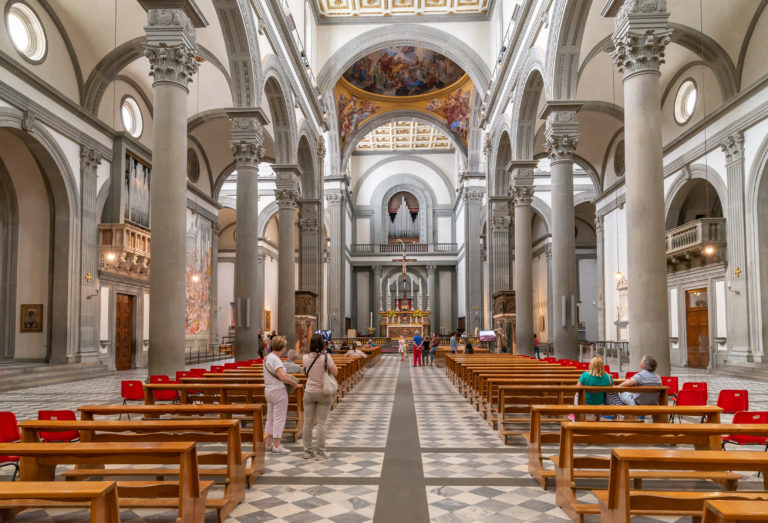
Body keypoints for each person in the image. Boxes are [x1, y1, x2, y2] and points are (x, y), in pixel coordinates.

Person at [302, 333, 338, 460]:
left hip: (309, 392)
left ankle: (307, 451)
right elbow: (336, 372)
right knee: (322, 423)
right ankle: (320, 452)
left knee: (307, 423)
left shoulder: (305, 357)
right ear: (322, 344)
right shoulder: (326, 358)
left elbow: (306, 371)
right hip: (323, 392)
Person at [263, 336, 296, 454]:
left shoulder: (268, 357)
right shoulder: (276, 360)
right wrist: (293, 383)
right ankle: (276, 446)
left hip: (269, 390)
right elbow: (282, 376)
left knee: (270, 418)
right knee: (279, 419)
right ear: (282, 348)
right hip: (278, 391)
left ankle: (268, 443)